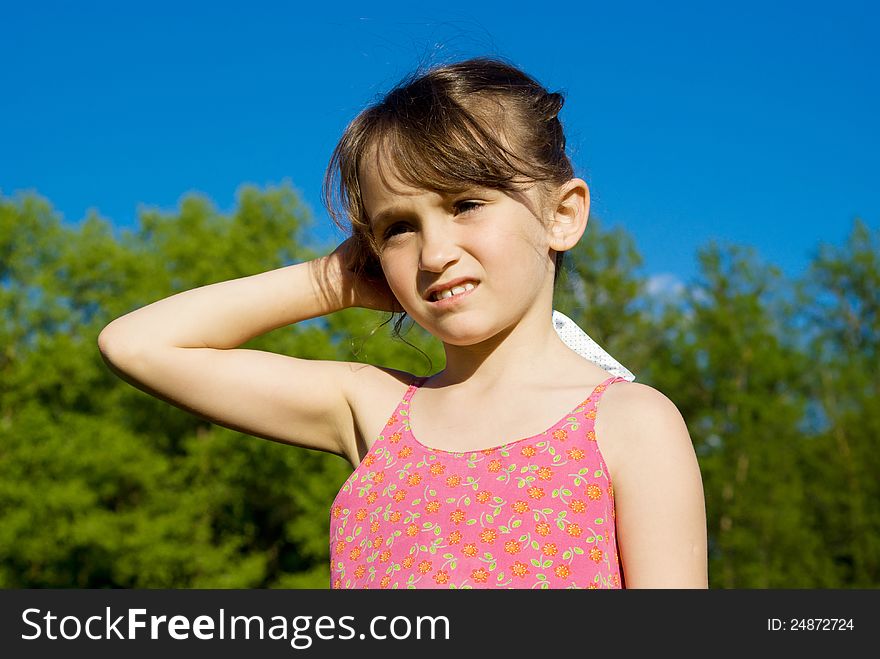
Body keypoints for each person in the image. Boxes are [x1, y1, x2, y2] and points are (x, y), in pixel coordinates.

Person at [98, 56, 707, 589]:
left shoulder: (630, 423)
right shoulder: (374, 411)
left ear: (563, 215)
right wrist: (335, 282)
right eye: (398, 228)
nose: (435, 252)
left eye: (465, 203)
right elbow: (136, 344)